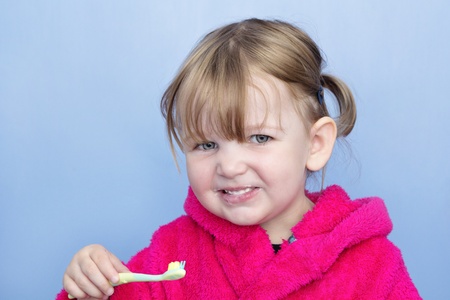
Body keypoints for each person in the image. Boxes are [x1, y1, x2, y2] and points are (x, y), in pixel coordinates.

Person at [57, 18, 421, 299]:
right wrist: (89, 286)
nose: (229, 167)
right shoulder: (172, 256)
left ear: (315, 144)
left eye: (259, 138)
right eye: (205, 145)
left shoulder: (372, 263)